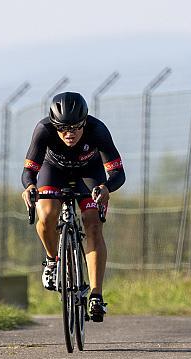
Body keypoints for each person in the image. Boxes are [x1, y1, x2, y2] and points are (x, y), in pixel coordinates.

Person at [21, 92, 125, 322]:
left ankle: (96, 295)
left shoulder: (98, 130)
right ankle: (52, 260)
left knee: (93, 223)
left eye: (76, 128)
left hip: (89, 173)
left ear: (85, 122)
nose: (69, 134)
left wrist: (106, 188)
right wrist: (29, 187)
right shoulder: (43, 130)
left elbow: (118, 172)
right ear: (54, 125)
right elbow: (29, 171)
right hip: (53, 171)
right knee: (47, 214)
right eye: (63, 128)